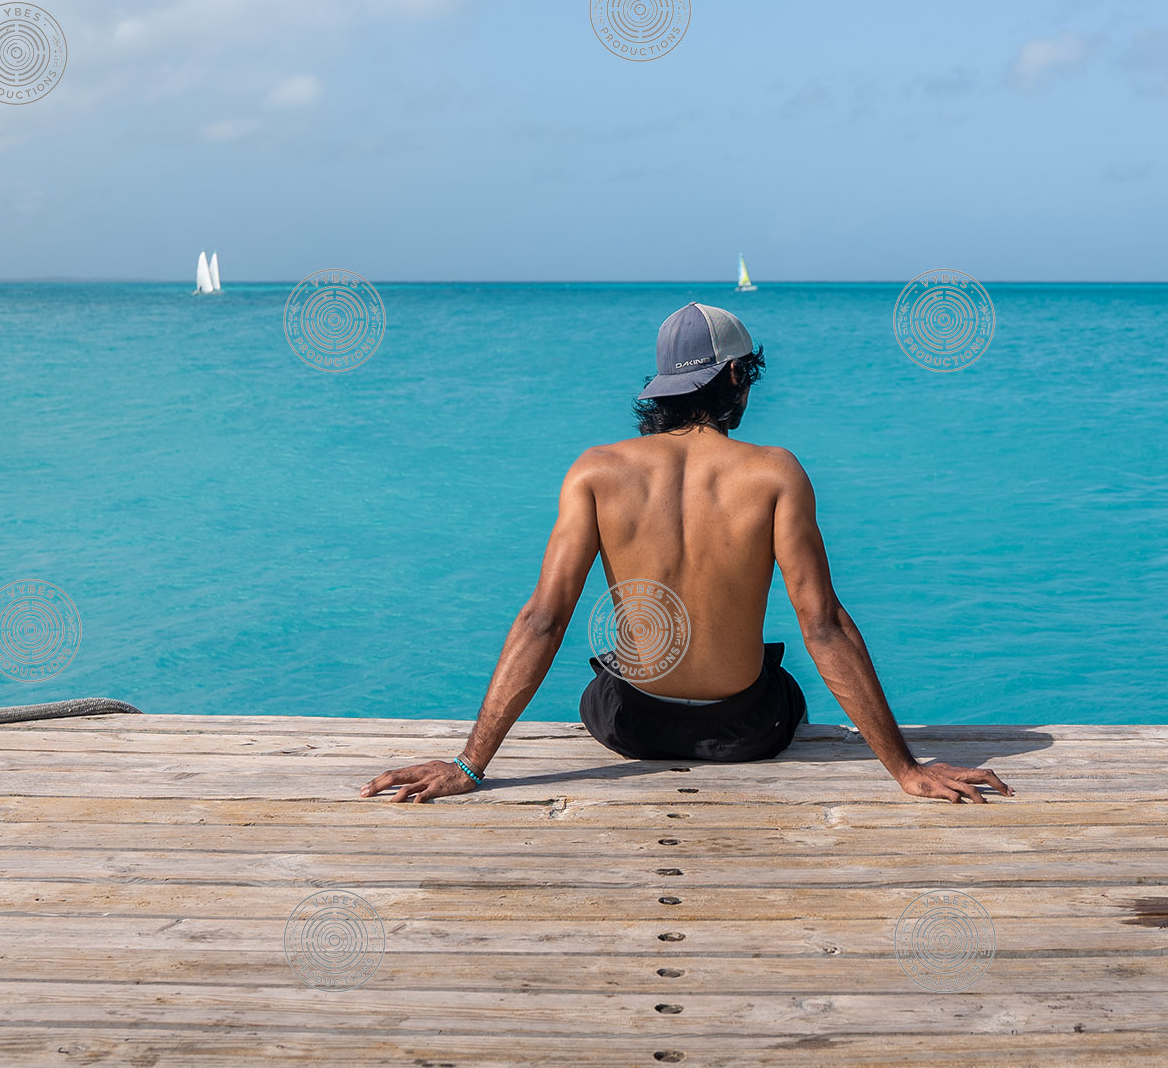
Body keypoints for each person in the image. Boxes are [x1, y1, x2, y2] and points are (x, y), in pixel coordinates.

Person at [361, 302, 1012, 805]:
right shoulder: (775, 473)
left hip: (630, 726)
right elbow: (824, 625)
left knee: (608, 670)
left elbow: (543, 620)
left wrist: (469, 764)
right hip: (749, 733)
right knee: (778, 677)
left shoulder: (595, 471)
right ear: (735, 376)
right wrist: (906, 769)